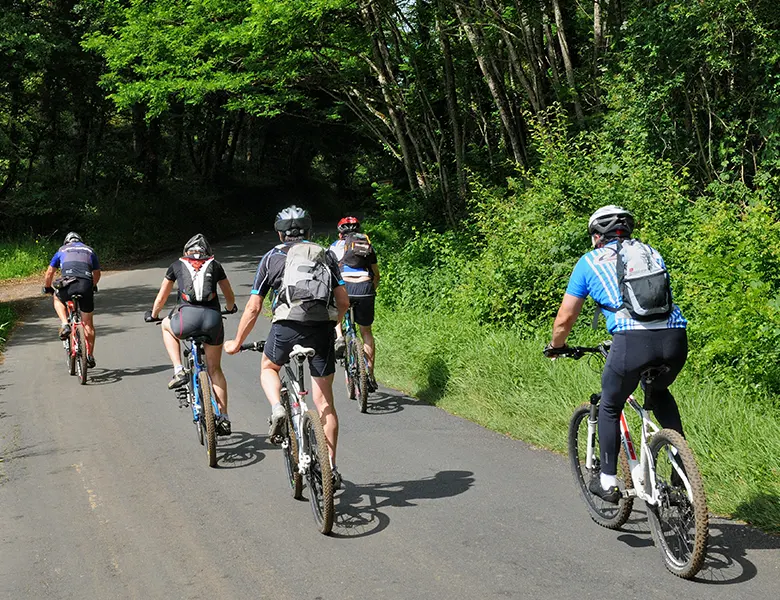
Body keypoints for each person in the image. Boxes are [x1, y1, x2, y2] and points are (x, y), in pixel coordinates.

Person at [545, 205, 688, 504]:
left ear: (598, 235)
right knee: (659, 392)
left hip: (631, 342)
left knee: (610, 404)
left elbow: (565, 318)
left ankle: (608, 481)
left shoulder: (589, 262)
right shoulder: (651, 253)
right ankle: (681, 461)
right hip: (675, 339)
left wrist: (556, 346)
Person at [224, 206, 349, 485]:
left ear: (280, 232)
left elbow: (254, 306)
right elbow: (343, 302)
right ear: (309, 231)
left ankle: (277, 409)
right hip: (321, 330)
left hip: (286, 328)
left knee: (269, 366)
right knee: (324, 401)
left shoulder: (272, 257)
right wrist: (332, 325)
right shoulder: (325, 254)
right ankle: (330, 468)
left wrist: (236, 342)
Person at [144, 234, 237, 435]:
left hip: (186, 320)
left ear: (186, 252)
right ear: (208, 252)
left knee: (166, 326)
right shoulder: (216, 265)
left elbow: (162, 296)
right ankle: (224, 417)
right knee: (215, 370)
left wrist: (153, 315)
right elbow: (229, 295)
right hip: (213, 320)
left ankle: (178, 368)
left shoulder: (176, 265)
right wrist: (230, 308)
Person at [329, 216, 380, 390]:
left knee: (336, 310)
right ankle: (369, 374)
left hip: (345, 287)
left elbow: (329, 273)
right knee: (366, 332)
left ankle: (340, 336)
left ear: (340, 233)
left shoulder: (335, 246)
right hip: (365, 288)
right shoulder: (366, 244)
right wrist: (371, 290)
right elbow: (376, 274)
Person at [43, 232, 101, 368]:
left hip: (68, 284)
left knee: (57, 298)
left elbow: (50, 272)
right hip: (85, 284)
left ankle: (65, 324)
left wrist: (47, 287)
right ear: (80, 241)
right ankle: (90, 356)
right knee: (88, 324)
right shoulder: (89, 250)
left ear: (66, 242)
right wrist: (91, 286)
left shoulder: (61, 250)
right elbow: (97, 273)